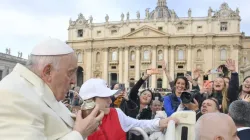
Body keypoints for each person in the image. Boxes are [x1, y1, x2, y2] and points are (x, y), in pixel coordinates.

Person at [0, 38, 104, 139]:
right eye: (70, 73)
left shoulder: (44, 90)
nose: (74, 81)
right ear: (48, 72)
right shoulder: (13, 96)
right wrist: (80, 133)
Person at [79, 78, 179, 140]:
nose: (110, 101)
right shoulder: (76, 123)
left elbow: (138, 124)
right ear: (90, 100)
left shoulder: (116, 113)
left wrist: (160, 123)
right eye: (106, 97)